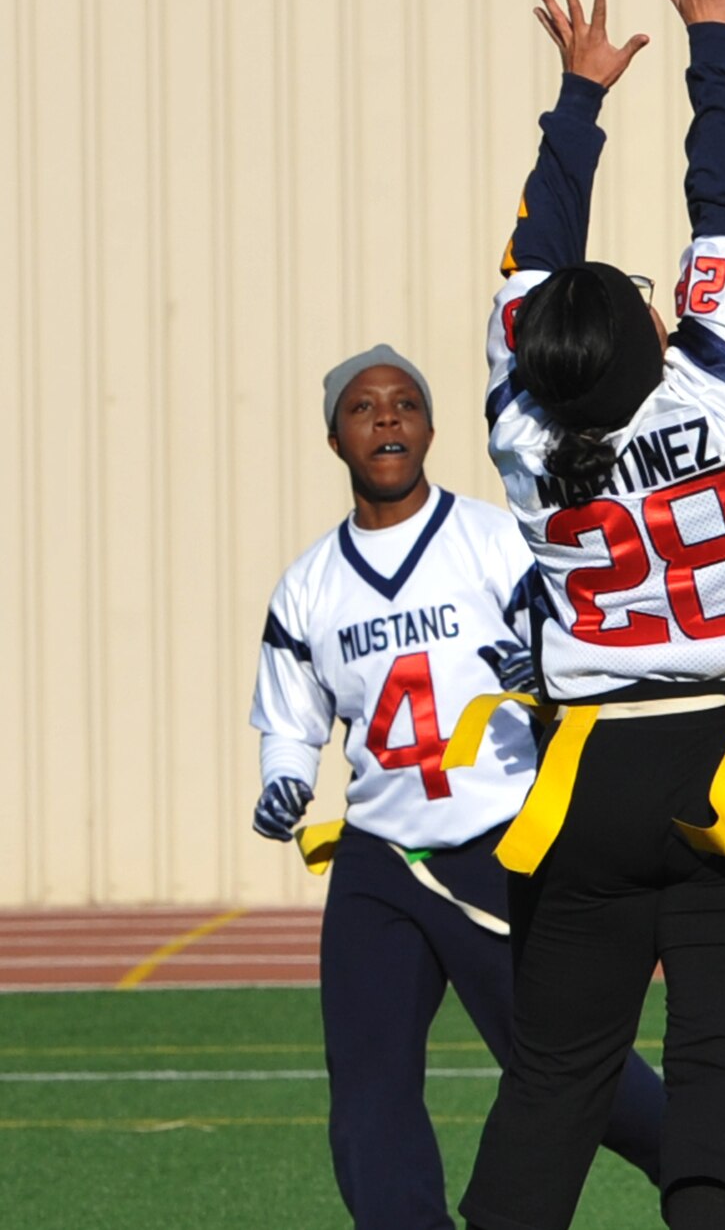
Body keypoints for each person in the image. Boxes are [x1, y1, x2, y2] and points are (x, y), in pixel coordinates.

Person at [454, 0, 725, 1230]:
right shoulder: (724, 385)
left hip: (590, 767)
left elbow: (531, 272)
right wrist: (709, 40)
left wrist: (576, 99)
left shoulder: (520, 421)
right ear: (656, 323)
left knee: (557, 1073)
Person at [248, 346, 663, 1228]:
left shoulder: (491, 538)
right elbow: (292, 712)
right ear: (335, 438)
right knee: (368, 1086)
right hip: (381, 858)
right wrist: (284, 778)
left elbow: (582, 640)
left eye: (404, 403)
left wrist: (549, 668)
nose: (387, 418)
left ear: (433, 428)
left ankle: (714, 1170)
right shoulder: (310, 583)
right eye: (364, 407)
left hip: (500, 840)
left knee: (565, 1061)